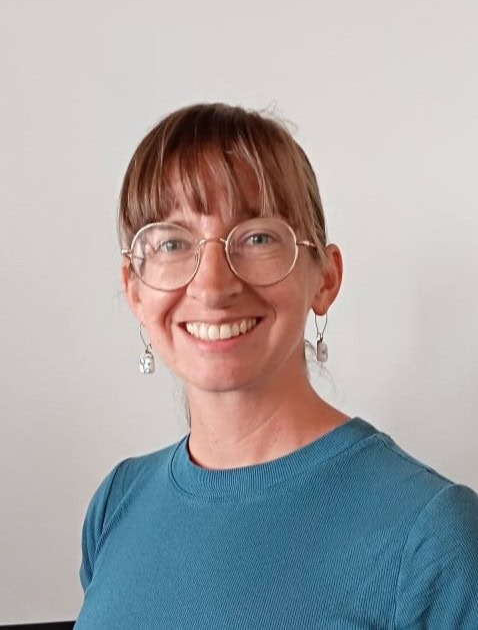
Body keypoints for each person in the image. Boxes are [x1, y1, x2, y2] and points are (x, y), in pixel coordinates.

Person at [74, 103, 478, 629]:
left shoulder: (434, 536)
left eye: (258, 237)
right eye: (172, 242)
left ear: (325, 278)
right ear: (134, 289)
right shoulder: (116, 504)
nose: (212, 286)